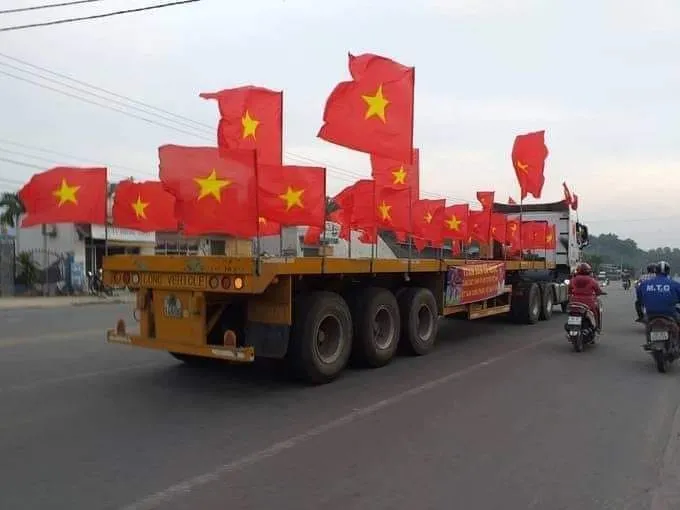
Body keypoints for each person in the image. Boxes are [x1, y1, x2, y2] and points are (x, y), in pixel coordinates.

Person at [568, 262, 605, 331]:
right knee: (596, 312)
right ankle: (597, 327)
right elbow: (598, 291)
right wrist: (600, 293)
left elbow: (569, 291)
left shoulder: (573, 280)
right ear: (588, 271)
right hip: (588, 302)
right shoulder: (592, 280)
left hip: (574, 302)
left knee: (571, 312)